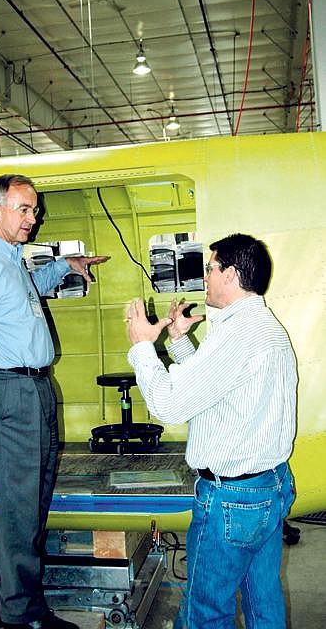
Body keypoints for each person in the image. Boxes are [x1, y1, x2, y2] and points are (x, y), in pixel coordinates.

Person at [0, 174, 109, 629]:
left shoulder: (9, 259)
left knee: (24, 508)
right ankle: (24, 616)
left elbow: (27, 290)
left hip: (34, 389)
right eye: (24, 210)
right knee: (20, 511)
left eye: (34, 210)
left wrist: (65, 265)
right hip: (5, 393)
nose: (32, 219)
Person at [125, 233, 297, 629]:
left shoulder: (238, 334)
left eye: (209, 268)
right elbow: (217, 390)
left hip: (232, 501)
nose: (204, 277)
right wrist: (180, 341)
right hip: (268, 488)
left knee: (205, 612)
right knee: (262, 603)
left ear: (231, 274)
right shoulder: (261, 327)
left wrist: (141, 347)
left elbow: (169, 405)